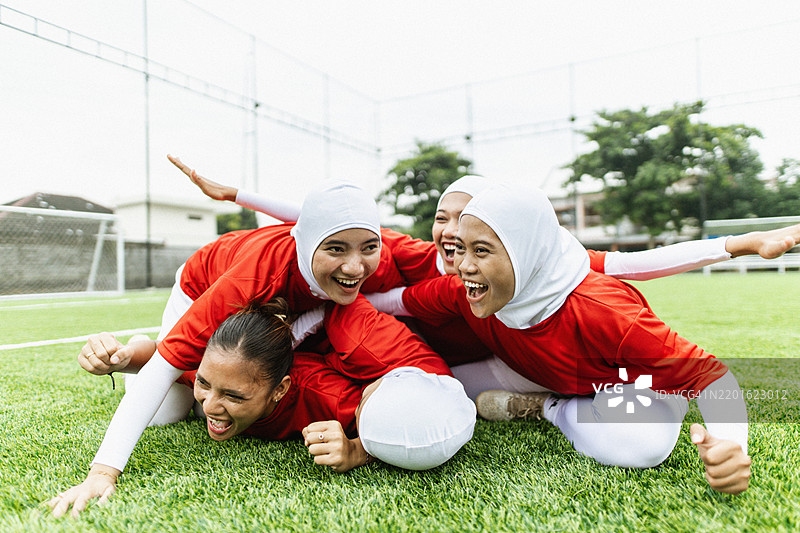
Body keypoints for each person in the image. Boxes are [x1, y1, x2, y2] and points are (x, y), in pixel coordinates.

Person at [170, 155, 800, 397]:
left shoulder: (547, 277)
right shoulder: (422, 261)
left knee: (631, 428)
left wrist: (740, 244)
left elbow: (635, 264)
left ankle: (557, 405)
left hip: (520, 365)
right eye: (443, 220)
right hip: (449, 355)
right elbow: (340, 234)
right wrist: (241, 196)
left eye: (470, 226)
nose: (452, 235)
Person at [48, 178, 476, 517]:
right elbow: (166, 366)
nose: (355, 264)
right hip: (204, 289)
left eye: (369, 247)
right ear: (305, 244)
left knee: (249, 378)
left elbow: (353, 247)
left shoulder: (362, 262)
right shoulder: (251, 278)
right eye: (335, 249)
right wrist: (102, 473)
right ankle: (137, 352)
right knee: (170, 409)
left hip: (289, 317)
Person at [368, 183, 754, 495]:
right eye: (464, 250)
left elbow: (711, 376)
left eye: (481, 251)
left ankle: (549, 408)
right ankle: (551, 399)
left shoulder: (604, 310)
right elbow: (396, 301)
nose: (465, 265)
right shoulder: (466, 289)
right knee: (442, 386)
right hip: (539, 372)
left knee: (645, 446)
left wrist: (731, 444)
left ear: (526, 253)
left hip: (622, 383)